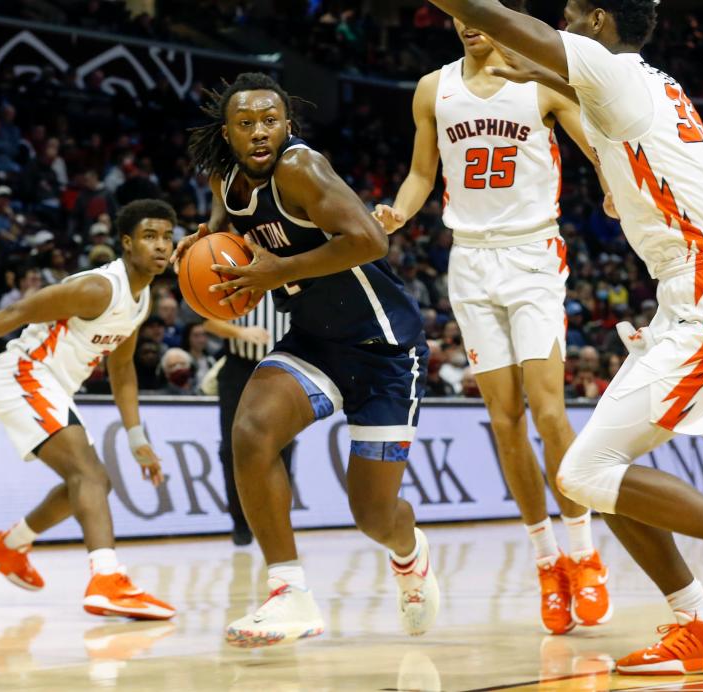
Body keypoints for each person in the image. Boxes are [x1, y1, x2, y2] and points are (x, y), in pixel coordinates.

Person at [426, 0, 703, 674]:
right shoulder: (644, 80)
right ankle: (702, 624)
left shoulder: (607, 68)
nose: (556, 25)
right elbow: (530, 63)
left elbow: (505, 29)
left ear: (594, 20)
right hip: (690, 296)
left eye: (565, 14)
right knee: (591, 474)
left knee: (585, 471)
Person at [374, 0, 612, 635]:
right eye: (460, 9)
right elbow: (423, 173)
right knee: (504, 422)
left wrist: (616, 187)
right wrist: (397, 212)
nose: (469, 19)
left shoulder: (541, 79)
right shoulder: (434, 89)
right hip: (471, 263)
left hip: (533, 255)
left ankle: (585, 553)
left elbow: (598, 146)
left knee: (548, 411)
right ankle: (546, 561)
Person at [175, 72, 436, 647]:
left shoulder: (301, 168)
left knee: (372, 515)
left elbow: (371, 240)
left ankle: (410, 556)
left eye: (271, 121)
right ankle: (289, 592)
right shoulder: (226, 182)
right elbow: (231, 239)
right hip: (316, 340)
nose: (260, 132)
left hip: (384, 349)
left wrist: (280, 271)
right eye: (247, 124)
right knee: (251, 431)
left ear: (287, 125)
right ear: (229, 133)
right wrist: (200, 249)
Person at [0, 199, 178, 620]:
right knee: (89, 476)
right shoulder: (98, 288)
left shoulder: (141, 298)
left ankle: (6, 546)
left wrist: (137, 438)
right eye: (150, 237)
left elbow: (123, 367)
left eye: (168, 237)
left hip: (52, 386)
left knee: (93, 484)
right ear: (127, 243)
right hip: (22, 374)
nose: (161, 246)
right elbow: (18, 311)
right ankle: (107, 579)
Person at [203, 292, 294, 547]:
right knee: (232, 449)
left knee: (283, 447)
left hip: (282, 368)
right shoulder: (235, 276)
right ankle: (240, 522)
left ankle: (279, 520)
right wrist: (240, 333)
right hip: (238, 368)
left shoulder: (293, 274)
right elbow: (207, 321)